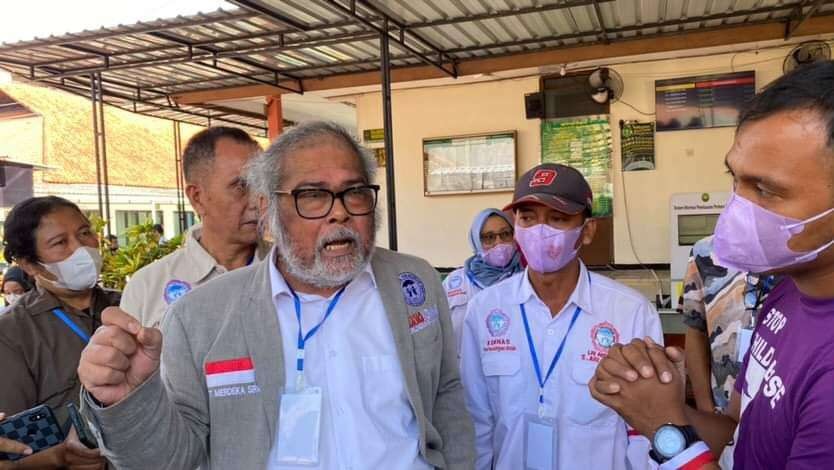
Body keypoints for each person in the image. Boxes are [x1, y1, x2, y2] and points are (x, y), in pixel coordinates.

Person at [77, 121, 475, 469]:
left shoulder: (414, 282)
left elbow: (445, 394)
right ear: (267, 210)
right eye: (313, 195)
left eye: (353, 192)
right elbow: (169, 461)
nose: (340, 213)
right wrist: (128, 402)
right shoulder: (198, 316)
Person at [589, 61, 834, 469]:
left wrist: (666, 429)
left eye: (766, 189)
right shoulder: (789, 290)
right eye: (734, 178)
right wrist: (648, 395)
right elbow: (737, 430)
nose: (735, 208)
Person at [459, 163, 663, 470]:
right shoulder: (485, 310)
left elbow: (645, 430)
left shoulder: (629, 312)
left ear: (588, 230)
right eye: (528, 218)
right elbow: (477, 420)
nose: (541, 231)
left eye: (558, 218)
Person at [0, 196, 118, 469]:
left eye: (85, 233)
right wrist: (56, 457)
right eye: (60, 243)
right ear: (29, 264)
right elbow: (16, 444)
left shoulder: (130, 303)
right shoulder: (13, 333)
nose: (82, 249)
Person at [120, 127, 268, 327]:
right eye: (241, 186)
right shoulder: (148, 286)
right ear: (197, 197)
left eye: (262, 185)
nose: (257, 201)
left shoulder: (289, 273)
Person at [681, 236, 777, 413]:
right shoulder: (705, 251)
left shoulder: (802, 252)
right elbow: (696, 331)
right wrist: (706, 408)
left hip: (786, 407)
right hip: (724, 410)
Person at [442, 208, 522, 353]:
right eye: (489, 237)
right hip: (462, 371)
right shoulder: (454, 282)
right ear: (476, 242)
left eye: (505, 234)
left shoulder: (526, 279)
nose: (499, 242)